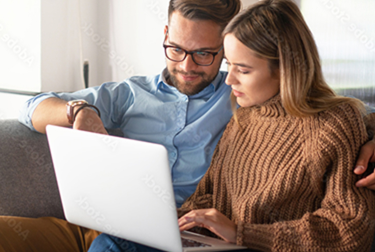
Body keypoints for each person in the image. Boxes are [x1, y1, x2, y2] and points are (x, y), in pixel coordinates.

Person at [0, 0, 374, 251]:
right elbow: (32, 106)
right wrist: (80, 112)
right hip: (136, 227)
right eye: (177, 49)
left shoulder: (246, 107)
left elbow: (348, 222)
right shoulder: (137, 94)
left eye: (208, 56)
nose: (187, 65)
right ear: (165, 36)